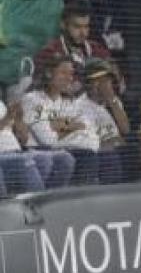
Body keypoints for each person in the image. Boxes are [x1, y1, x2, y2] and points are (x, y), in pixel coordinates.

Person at [21, 54, 100, 184]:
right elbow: (47, 139)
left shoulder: (71, 103)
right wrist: (72, 126)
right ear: (48, 73)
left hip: (69, 151)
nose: (69, 78)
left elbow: (90, 137)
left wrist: (57, 125)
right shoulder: (32, 99)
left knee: (90, 154)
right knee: (78, 157)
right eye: (63, 73)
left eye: (71, 74)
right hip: (40, 153)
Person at [0, 99, 74, 195]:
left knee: (64, 158)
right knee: (24, 160)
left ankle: (52, 199)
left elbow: (23, 139)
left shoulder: (1, 104)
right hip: (3, 154)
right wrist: (7, 118)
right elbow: (5, 121)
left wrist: (19, 118)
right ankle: (39, 202)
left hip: (17, 150)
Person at [75, 58, 130, 183]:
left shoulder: (114, 102)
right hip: (98, 153)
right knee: (110, 156)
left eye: (106, 79)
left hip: (117, 151)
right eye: (97, 80)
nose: (103, 84)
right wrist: (114, 142)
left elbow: (125, 129)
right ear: (87, 83)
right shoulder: (80, 106)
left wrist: (111, 100)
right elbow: (90, 142)